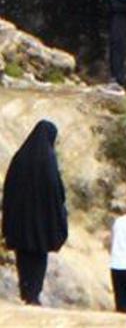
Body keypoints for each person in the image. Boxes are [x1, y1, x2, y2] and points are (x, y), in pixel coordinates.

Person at [1, 120, 67, 306]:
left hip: (20, 222)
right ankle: (34, 294)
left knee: (23, 257)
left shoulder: (19, 158)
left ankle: (26, 291)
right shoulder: (48, 162)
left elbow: (9, 190)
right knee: (39, 257)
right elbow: (57, 193)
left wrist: (9, 220)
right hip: (42, 225)